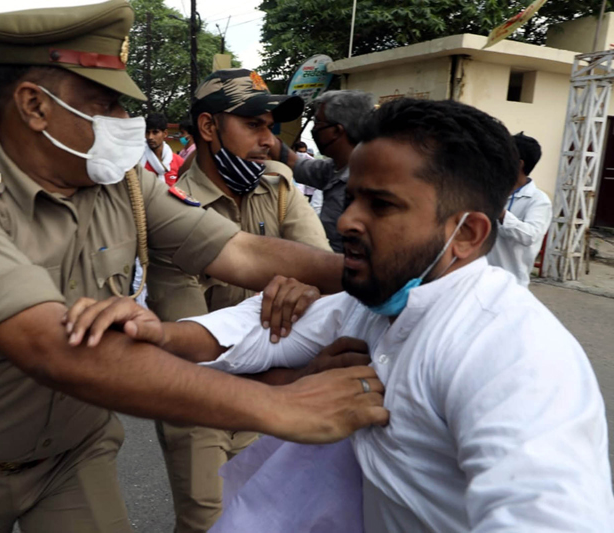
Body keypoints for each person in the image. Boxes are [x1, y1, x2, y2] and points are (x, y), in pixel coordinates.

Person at [0, 3, 387, 531]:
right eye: (106, 104)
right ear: (35, 106)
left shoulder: (122, 185)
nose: (125, 123)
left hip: (74, 456)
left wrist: (376, 274)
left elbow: (239, 252)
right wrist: (283, 406)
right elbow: (51, 347)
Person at [71, 98, 614, 532]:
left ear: (468, 234)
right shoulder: (373, 302)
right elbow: (246, 334)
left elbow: (545, 509)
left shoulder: (511, 354)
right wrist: (158, 332)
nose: (348, 220)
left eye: (381, 205)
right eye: (351, 197)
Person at [145, 68, 331, 533]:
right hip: (197, 397)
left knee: (270, 517)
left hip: (275, 388)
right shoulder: (174, 209)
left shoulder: (279, 187)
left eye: (270, 126)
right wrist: (290, 288)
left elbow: (323, 276)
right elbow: (193, 336)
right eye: (253, 125)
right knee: (208, 520)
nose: (268, 139)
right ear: (208, 128)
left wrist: (308, 286)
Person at [271, 90, 373, 253]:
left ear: (337, 131)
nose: (314, 129)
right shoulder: (333, 169)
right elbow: (295, 164)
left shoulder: (369, 182)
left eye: (318, 123)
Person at [486, 132, 552, 286]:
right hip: (478, 278)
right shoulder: (491, 190)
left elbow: (530, 236)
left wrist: (500, 213)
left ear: (519, 164)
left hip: (510, 283)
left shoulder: (538, 201)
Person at [142, 112, 184, 187]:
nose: (150, 137)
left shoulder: (179, 162)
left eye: (155, 132)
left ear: (165, 133)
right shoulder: (139, 162)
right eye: (147, 132)